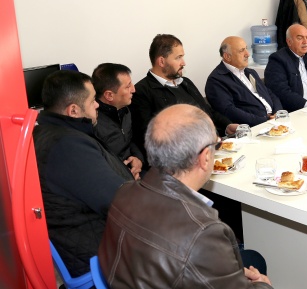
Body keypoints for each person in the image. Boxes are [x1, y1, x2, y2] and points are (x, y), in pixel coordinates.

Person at [99, 104, 274, 289]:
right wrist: (264, 286)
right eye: (216, 144)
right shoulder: (203, 233)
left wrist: (226, 270)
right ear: (205, 157)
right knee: (256, 261)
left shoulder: (124, 191)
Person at [33, 70, 134, 277]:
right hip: (100, 253)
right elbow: (119, 202)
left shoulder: (48, 132)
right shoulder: (67, 146)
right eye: (92, 101)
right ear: (73, 110)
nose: (97, 105)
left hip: (88, 239)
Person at [130, 34, 237, 160]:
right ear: (161, 61)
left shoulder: (185, 82)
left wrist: (227, 126)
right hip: (183, 159)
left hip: (214, 149)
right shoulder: (142, 92)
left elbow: (207, 111)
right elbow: (150, 138)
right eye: (178, 57)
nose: (183, 63)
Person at [206, 36, 283, 126]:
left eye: (246, 49)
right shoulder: (216, 80)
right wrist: (264, 120)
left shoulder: (250, 72)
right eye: (241, 50)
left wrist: (278, 112)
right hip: (254, 127)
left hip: (274, 121)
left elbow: (269, 94)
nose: (247, 54)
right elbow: (229, 111)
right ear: (227, 56)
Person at [92, 63, 144, 179]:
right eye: (128, 86)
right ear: (109, 95)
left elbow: (130, 140)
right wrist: (126, 174)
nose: (133, 89)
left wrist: (138, 159)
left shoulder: (125, 110)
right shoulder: (94, 122)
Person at [264, 23, 307, 111]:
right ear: (289, 42)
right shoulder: (278, 60)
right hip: (299, 110)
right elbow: (281, 92)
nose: (305, 42)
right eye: (300, 38)